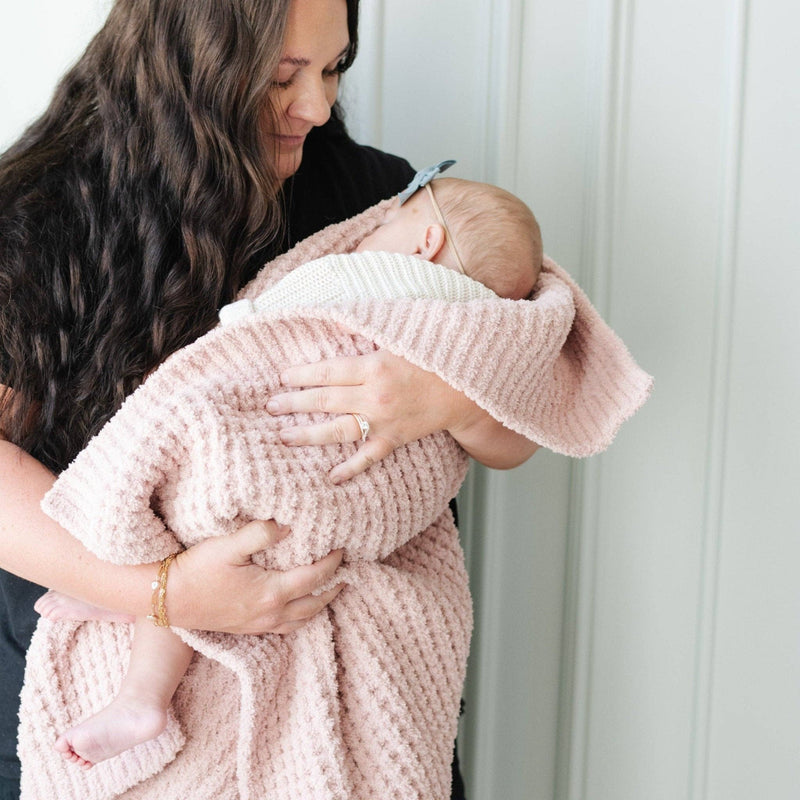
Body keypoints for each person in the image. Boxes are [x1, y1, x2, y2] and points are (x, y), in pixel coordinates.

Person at [0, 2, 538, 797]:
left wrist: (446, 398)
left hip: (358, 711)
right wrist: (167, 594)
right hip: (102, 716)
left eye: (333, 68)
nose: (316, 107)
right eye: (283, 77)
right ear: (190, 65)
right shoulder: (40, 220)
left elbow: (523, 427)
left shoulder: (381, 206)